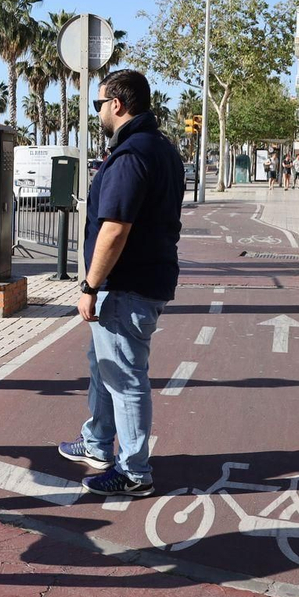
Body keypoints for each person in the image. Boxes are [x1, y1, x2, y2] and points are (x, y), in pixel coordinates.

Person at [56, 70, 184, 498]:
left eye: (98, 104)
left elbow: (115, 228)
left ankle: (134, 473)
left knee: (125, 378)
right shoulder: (163, 147)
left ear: (117, 104)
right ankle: (96, 443)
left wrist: (90, 286)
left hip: (127, 284)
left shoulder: (131, 154)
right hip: (146, 277)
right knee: (104, 367)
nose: (98, 114)